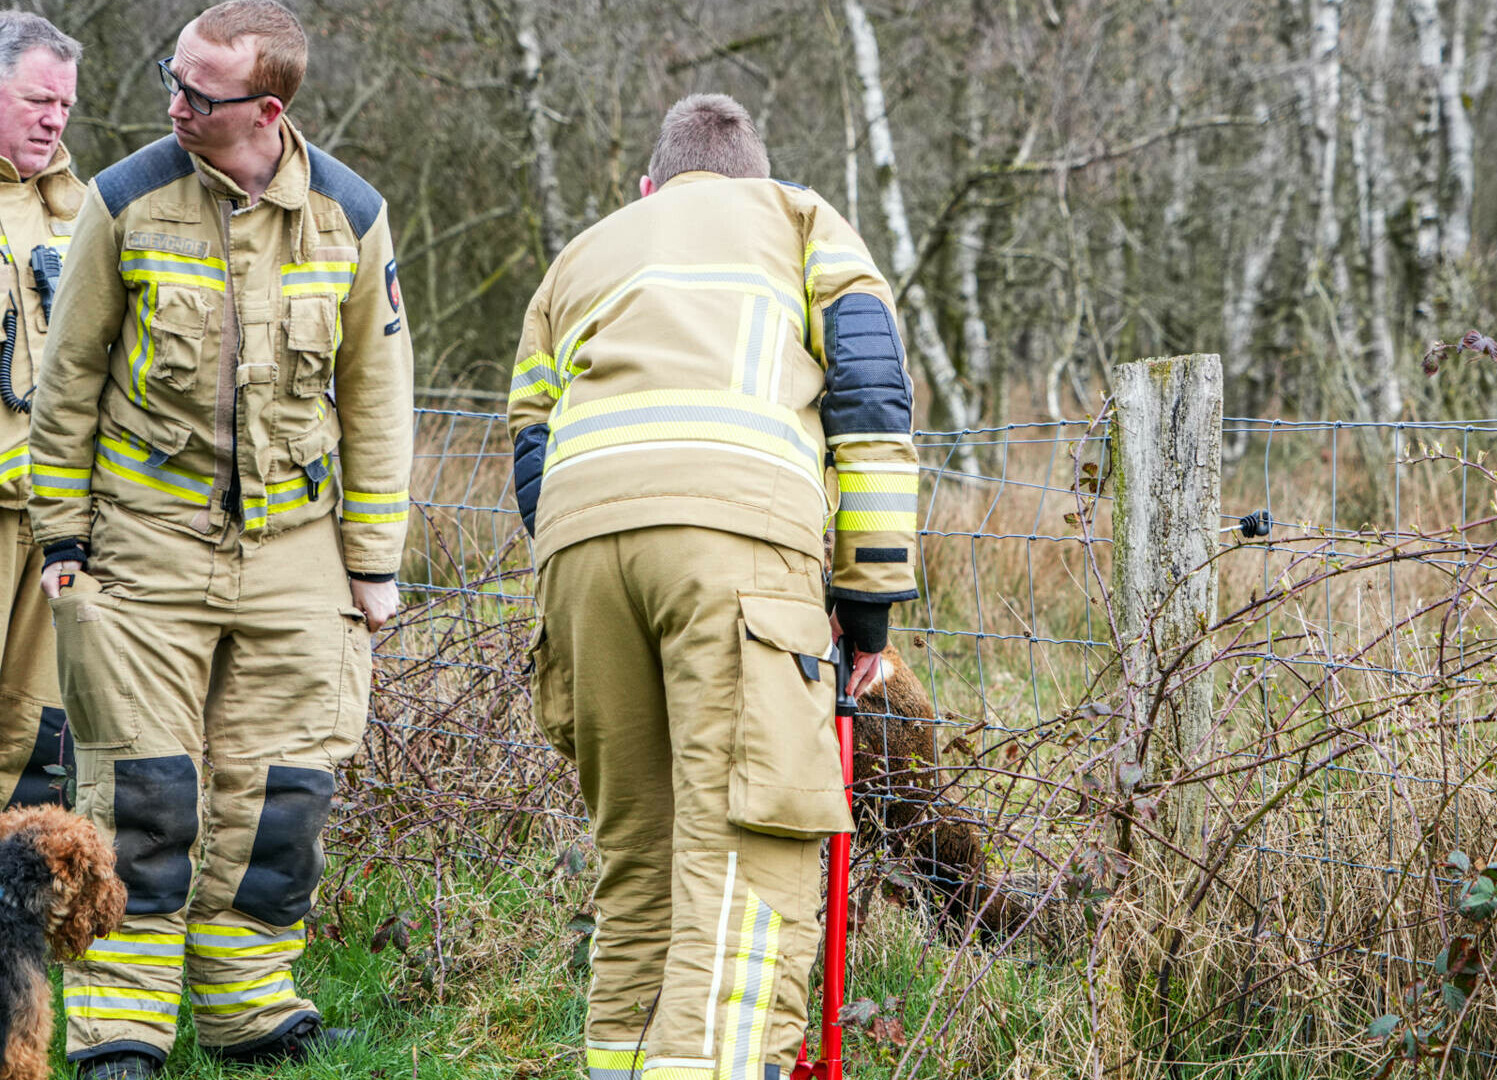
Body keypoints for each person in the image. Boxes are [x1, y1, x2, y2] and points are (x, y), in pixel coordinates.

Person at [27, 2, 412, 1075]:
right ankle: (122, 1028)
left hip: (298, 554)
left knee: (280, 799)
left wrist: (372, 565)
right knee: (142, 798)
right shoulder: (125, 198)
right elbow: (70, 376)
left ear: (267, 109)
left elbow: (377, 399)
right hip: (142, 545)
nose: (174, 102)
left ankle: (249, 1008)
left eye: (199, 91)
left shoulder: (353, 216)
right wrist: (63, 535)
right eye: (173, 76)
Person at [510, 93, 920, 1080]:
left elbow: (531, 438)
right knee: (746, 860)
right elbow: (870, 405)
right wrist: (865, 612)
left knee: (640, 863)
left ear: (652, 185)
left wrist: (581, 565)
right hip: (734, 549)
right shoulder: (803, 220)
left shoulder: (589, 251)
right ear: (754, 177)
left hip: (580, 553)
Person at [0, 11, 83, 813]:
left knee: (36, 729)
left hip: (53, 518)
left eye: (64, 104)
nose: (54, 118)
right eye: (37, 100)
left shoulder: (83, 212)